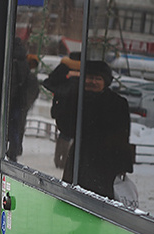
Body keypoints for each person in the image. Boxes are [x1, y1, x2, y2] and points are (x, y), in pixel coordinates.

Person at [50, 59, 133, 199]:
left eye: (97, 78)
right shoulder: (76, 98)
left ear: (105, 81)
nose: (92, 82)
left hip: (105, 163)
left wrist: (122, 166)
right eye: (89, 77)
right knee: (73, 203)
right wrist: (60, 101)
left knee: (100, 205)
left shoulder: (117, 103)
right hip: (79, 161)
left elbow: (123, 137)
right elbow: (66, 128)